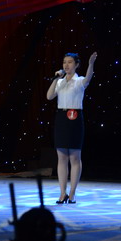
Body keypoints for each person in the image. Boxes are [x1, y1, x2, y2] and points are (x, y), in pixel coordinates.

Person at [46, 51, 97, 204]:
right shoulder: (60, 82)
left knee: (74, 157)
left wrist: (91, 64)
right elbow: (49, 96)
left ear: (76, 65)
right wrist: (56, 78)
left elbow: (88, 77)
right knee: (61, 157)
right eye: (64, 62)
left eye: (69, 62)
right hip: (61, 118)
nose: (66, 65)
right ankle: (62, 193)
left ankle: (72, 193)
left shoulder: (79, 81)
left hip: (75, 118)